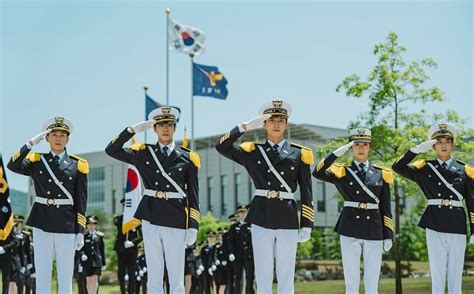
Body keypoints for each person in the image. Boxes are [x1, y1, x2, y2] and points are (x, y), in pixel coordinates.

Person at [215, 100, 314, 293]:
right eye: (271, 119)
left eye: (281, 120)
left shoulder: (299, 154)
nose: (276, 124)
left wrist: (307, 224)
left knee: (286, 274)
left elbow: (307, 191)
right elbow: (222, 147)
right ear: (264, 124)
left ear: (286, 124)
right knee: (263, 273)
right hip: (261, 215)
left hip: (287, 216)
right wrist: (243, 127)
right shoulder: (252, 152)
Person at [105, 106, 200, 293]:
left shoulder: (188, 158)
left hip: (176, 216)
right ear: (154, 128)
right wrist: (131, 130)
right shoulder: (143, 152)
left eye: (170, 124)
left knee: (176, 276)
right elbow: (111, 150)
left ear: (175, 128)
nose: (165, 128)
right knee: (154, 274)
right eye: (161, 125)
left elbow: (194, 195)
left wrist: (194, 225)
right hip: (151, 215)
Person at [7, 117, 88, 294]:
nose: (58, 138)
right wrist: (29, 144)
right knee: (42, 274)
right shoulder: (36, 161)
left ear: (68, 139)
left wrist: (80, 231)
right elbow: (12, 165)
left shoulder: (78, 165)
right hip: (42, 222)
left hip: (67, 224)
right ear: (46, 138)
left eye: (62, 135)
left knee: (65, 277)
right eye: (54, 134)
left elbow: (82, 200)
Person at [392, 123, 474, 293]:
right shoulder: (424, 168)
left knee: (455, 276)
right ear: (433, 145)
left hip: (457, 224)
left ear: (452, 144)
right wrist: (415, 150)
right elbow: (397, 167)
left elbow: (472, 202)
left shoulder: (465, 170)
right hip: (434, 224)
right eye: (439, 141)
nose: (443, 144)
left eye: (447, 141)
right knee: (437, 275)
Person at [313, 128, 394, 294]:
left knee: (372, 283)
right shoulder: (342, 171)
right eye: (357, 144)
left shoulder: (381, 173)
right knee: (351, 282)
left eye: (365, 144)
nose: (361, 148)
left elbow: (386, 207)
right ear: (351, 147)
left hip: (374, 227)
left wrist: (389, 234)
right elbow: (317, 172)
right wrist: (335, 154)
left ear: (369, 147)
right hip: (350, 227)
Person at [114, 199, 143, 294]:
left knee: (132, 274)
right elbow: (117, 223)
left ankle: (131, 292)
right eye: (124, 206)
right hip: (121, 250)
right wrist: (126, 218)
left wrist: (133, 242)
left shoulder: (136, 221)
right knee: (121, 274)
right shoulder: (119, 219)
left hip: (132, 251)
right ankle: (123, 291)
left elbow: (141, 236)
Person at [228, 205, 254, 294]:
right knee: (238, 277)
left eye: (244, 212)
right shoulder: (233, 227)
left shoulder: (251, 225)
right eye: (240, 212)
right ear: (238, 214)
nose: (242, 214)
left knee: (250, 277)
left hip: (249, 255)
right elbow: (230, 241)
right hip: (237, 256)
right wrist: (231, 252)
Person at [80, 215, 106, 294]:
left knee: (94, 279)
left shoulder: (99, 236)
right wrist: (82, 254)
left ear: (95, 225)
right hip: (87, 262)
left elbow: (102, 250)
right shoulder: (84, 236)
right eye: (89, 224)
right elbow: (81, 248)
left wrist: (104, 263)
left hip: (97, 261)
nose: (91, 226)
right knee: (89, 280)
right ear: (86, 225)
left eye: (93, 224)